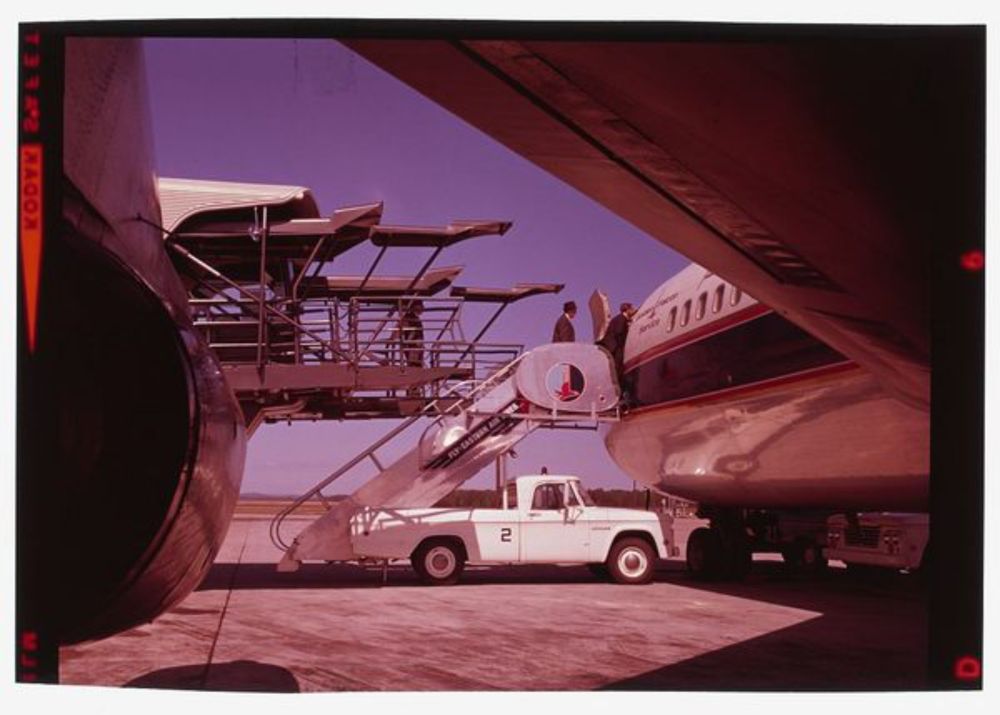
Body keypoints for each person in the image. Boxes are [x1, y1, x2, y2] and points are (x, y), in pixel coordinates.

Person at [599, 302, 637, 402]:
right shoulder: (622, 319)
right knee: (618, 372)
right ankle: (618, 397)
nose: (633, 310)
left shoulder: (618, 319)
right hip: (616, 349)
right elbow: (619, 333)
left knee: (617, 372)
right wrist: (622, 347)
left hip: (613, 348)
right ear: (627, 310)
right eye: (632, 308)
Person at [400, 300, 425, 396]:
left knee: (417, 368)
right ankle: (413, 392)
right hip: (413, 348)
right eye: (420, 305)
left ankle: (415, 391)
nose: (423, 308)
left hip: (416, 348)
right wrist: (410, 343)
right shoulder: (409, 318)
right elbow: (408, 332)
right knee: (414, 368)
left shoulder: (414, 318)